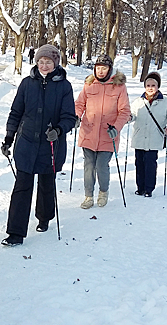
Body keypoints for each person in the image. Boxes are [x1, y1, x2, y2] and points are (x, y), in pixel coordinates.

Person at [0, 44, 77, 246]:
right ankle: (15, 232)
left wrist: (59, 130)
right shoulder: (27, 83)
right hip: (26, 143)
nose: (44, 65)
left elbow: (69, 116)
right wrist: (9, 137)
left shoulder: (64, 86)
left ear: (55, 63)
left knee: (46, 184)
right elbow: (16, 112)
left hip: (51, 144)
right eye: (41, 62)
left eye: (48, 62)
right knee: (22, 187)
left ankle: (44, 217)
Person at [74, 54, 130, 209]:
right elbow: (79, 104)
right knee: (89, 166)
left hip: (108, 134)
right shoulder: (89, 84)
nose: (100, 71)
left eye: (103, 68)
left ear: (109, 69)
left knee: (101, 166)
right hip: (88, 132)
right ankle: (88, 196)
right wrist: (76, 116)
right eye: (98, 68)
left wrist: (116, 127)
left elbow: (124, 111)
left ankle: (103, 192)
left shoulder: (119, 86)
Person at [129, 71, 167, 197]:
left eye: (153, 85)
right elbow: (132, 114)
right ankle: (140, 187)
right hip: (139, 138)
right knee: (139, 164)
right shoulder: (138, 101)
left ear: (158, 87)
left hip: (155, 139)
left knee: (150, 164)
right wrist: (128, 118)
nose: (150, 88)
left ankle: (148, 189)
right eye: (148, 85)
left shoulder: (166, 102)